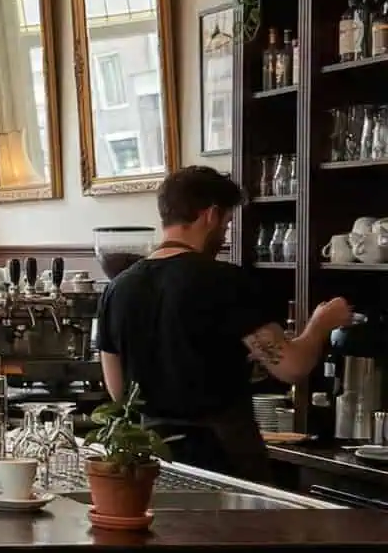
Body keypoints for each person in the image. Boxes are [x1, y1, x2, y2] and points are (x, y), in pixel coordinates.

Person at [98, 165, 348, 480]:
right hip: (222, 457)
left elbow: (119, 391)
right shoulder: (224, 281)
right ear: (211, 214)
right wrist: (321, 324)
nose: (224, 234)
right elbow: (291, 366)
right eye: (227, 224)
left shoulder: (116, 288)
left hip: (149, 457)